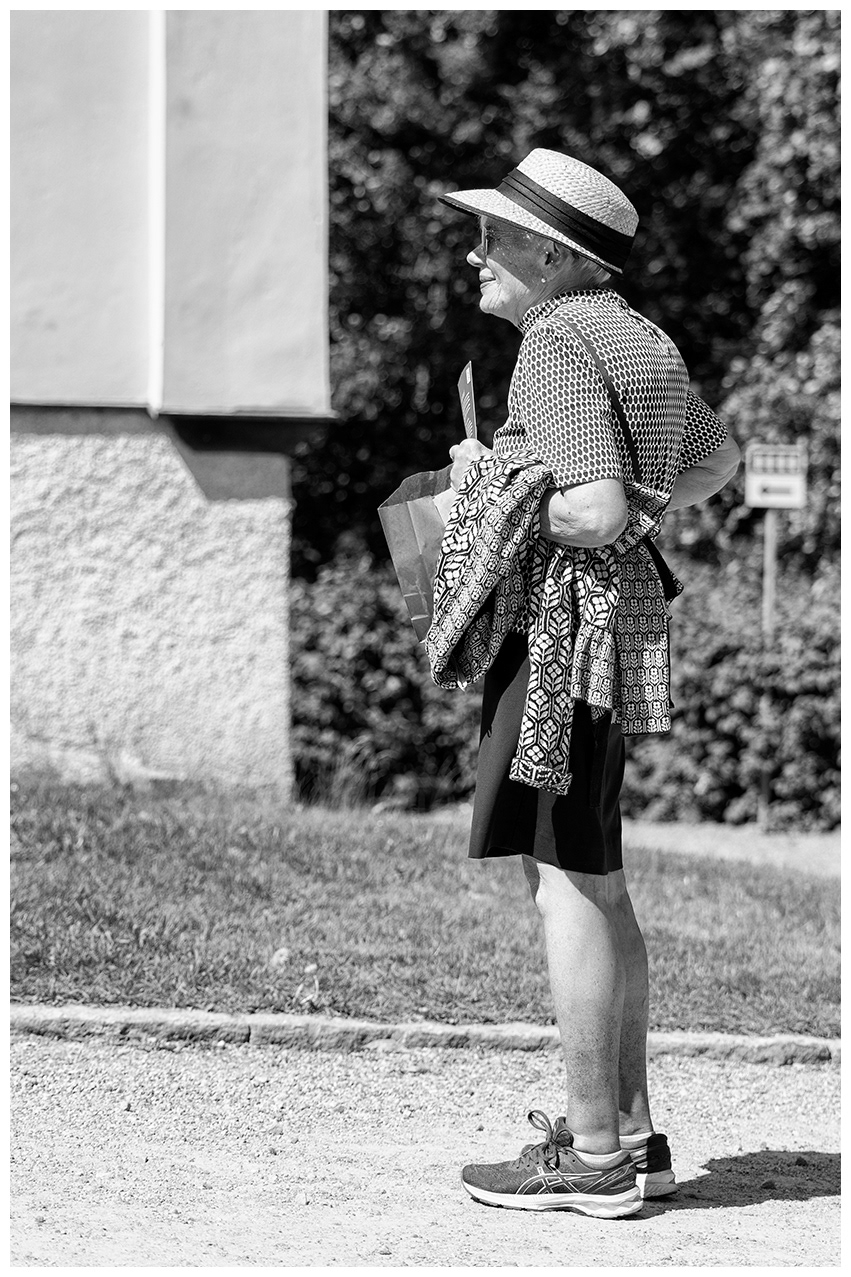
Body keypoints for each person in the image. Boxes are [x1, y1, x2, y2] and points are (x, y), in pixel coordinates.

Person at [425, 149, 740, 1219]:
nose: (476, 255)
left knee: (562, 881)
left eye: (496, 237)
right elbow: (713, 461)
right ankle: (636, 1138)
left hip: (557, 636)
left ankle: (594, 1153)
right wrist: (636, 506)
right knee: (598, 879)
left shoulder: (556, 339)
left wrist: (485, 488)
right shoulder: (639, 335)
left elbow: (594, 510)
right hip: (615, 633)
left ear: (553, 257)